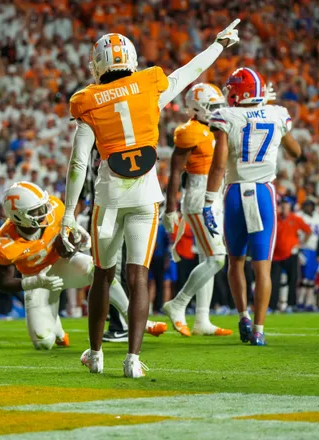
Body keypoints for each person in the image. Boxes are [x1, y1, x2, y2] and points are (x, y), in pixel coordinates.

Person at [61, 21, 241, 377]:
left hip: (109, 197)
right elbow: (191, 71)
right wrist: (219, 44)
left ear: (98, 63)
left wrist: (69, 213)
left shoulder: (87, 101)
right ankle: (132, 361)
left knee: (102, 275)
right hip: (146, 194)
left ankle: (96, 354)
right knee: (138, 276)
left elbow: (79, 162)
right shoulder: (149, 85)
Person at [0, 182, 165, 350]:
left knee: (97, 269)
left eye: (43, 206)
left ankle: (134, 319)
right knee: (44, 343)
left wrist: (75, 241)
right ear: (17, 216)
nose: (44, 212)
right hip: (36, 278)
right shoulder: (4, 243)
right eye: (35, 211)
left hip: (63, 264)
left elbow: (68, 250)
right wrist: (36, 282)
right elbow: (3, 283)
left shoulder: (55, 207)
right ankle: (58, 330)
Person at [203, 67, 301, 346]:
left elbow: (219, 165)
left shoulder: (227, 116)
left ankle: (244, 315)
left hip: (234, 193)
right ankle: (259, 330)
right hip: (263, 194)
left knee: (235, 262)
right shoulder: (277, 114)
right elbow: (296, 152)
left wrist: (209, 201)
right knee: (263, 268)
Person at [161, 83, 231, 337]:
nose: (217, 110)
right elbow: (174, 173)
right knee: (216, 258)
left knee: (207, 258)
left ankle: (202, 320)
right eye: (212, 107)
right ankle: (177, 304)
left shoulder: (215, 129)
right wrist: (170, 209)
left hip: (214, 195)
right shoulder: (189, 132)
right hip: (198, 196)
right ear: (196, 108)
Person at [271, 198, 311, 312]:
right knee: (274, 281)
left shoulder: (295, 218)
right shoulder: (275, 218)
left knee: (292, 280)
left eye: (285, 206)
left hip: (291, 254)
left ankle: (291, 305)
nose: (283, 208)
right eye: (282, 206)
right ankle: (272, 306)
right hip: (276, 255)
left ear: (290, 207)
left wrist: (301, 244)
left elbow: (308, 231)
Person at [298, 199, 319, 310]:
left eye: (310, 205)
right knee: (304, 277)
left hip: (315, 249)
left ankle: (309, 302)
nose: (308, 207)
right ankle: (300, 301)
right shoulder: (299, 216)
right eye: (306, 205)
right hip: (304, 248)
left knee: (311, 278)